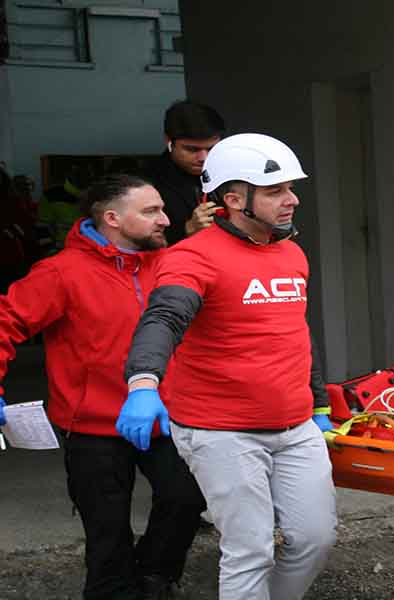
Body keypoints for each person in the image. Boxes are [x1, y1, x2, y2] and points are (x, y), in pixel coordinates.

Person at [120, 133, 337, 600]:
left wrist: (318, 404)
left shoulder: (291, 253)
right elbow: (163, 318)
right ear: (235, 199)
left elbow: (294, 330)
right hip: (222, 431)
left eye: (291, 188)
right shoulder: (192, 257)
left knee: (316, 539)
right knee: (250, 549)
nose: (292, 199)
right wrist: (143, 383)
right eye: (276, 190)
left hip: (294, 426)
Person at [0, 174, 206, 599]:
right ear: (112, 218)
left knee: (187, 499)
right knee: (107, 532)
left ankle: (153, 577)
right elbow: (6, 321)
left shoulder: (172, 264)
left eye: (162, 209)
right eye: (151, 211)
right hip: (92, 427)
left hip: (166, 417)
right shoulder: (60, 272)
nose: (166, 219)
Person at [144, 100, 225, 246]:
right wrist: (186, 229)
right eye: (192, 149)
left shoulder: (235, 171)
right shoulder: (145, 184)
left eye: (211, 148)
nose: (203, 158)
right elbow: (135, 242)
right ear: (168, 141)